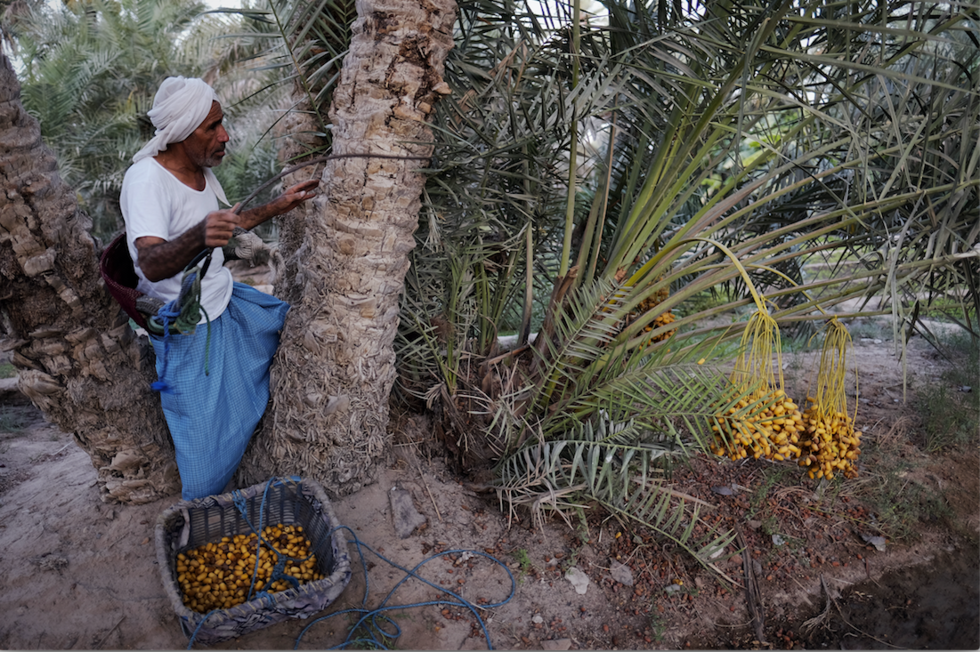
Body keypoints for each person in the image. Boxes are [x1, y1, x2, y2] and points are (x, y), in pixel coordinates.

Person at [120, 76, 318, 500]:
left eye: (221, 123)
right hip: (187, 328)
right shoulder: (145, 182)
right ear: (179, 133)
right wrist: (198, 235)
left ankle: (245, 455)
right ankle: (202, 511)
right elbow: (152, 264)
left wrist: (282, 203)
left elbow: (224, 225)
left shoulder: (200, 174)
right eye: (212, 127)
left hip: (224, 301)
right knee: (203, 443)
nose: (225, 135)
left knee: (290, 336)